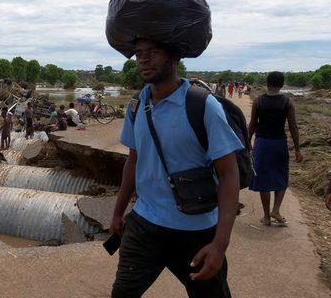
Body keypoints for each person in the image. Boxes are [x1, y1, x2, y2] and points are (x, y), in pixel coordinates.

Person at [110, 38, 243, 297]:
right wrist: (118, 212)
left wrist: (220, 243)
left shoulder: (202, 105)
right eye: (138, 54)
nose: (143, 60)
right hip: (145, 224)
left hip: (196, 232)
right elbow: (133, 161)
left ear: (174, 57)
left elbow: (229, 173)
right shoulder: (137, 105)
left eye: (153, 52)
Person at [248, 71, 303, 226]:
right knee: (281, 175)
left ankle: (266, 217)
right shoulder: (288, 102)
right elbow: (293, 127)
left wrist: (247, 143)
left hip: (262, 144)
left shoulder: (259, 101)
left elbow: (252, 124)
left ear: (267, 83)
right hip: (279, 143)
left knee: (263, 178)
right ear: (282, 85)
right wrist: (298, 149)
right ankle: (276, 210)